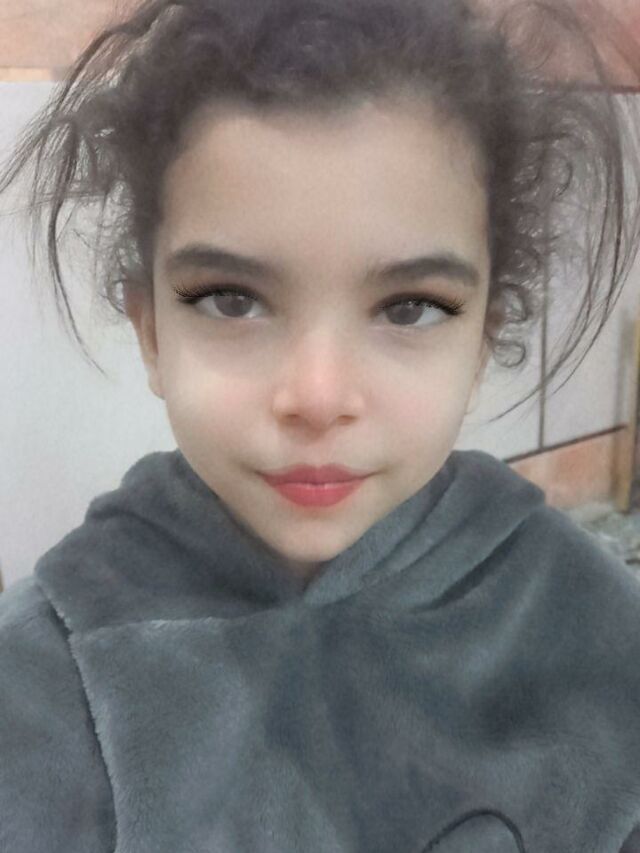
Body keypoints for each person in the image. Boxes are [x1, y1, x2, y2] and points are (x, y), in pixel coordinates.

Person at [1, 0, 640, 850]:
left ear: (484, 336)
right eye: (231, 299)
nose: (317, 393)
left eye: (410, 307)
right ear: (151, 330)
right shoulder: (46, 673)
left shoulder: (592, 623)